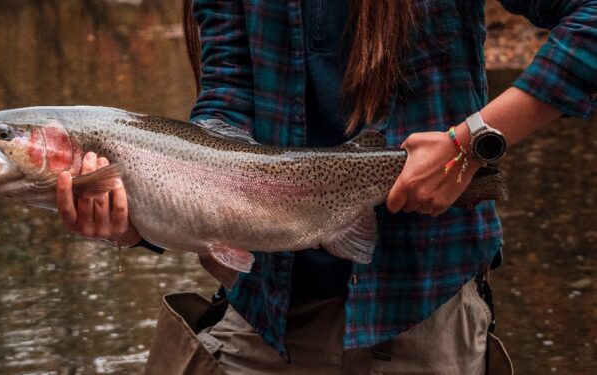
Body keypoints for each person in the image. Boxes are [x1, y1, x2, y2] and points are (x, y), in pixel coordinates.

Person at [56, 0, 596, 373]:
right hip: (267, 316)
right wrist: (141, 216)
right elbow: (223, 112)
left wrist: (470, 143)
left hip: (426, 306)